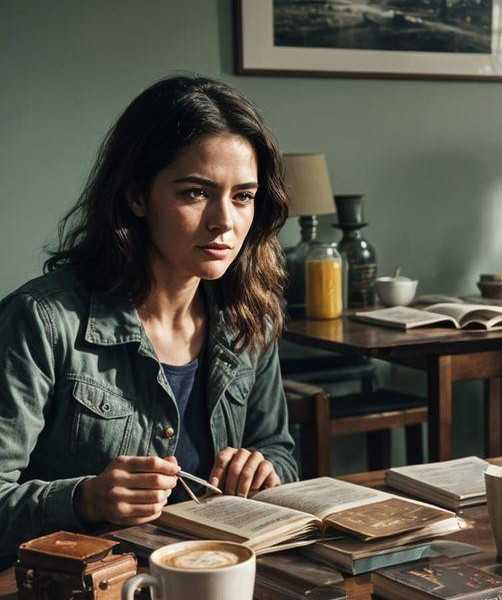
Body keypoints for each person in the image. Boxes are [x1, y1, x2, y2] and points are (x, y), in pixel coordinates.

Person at [0, 75, 298, 563]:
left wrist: (264, 469)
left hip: (217, 576)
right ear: (137, 196)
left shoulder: (251, 319)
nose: (224, 221)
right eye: (196, 193)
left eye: (242, 196)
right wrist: (86, 499)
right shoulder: (41, 322)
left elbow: (279, 449)